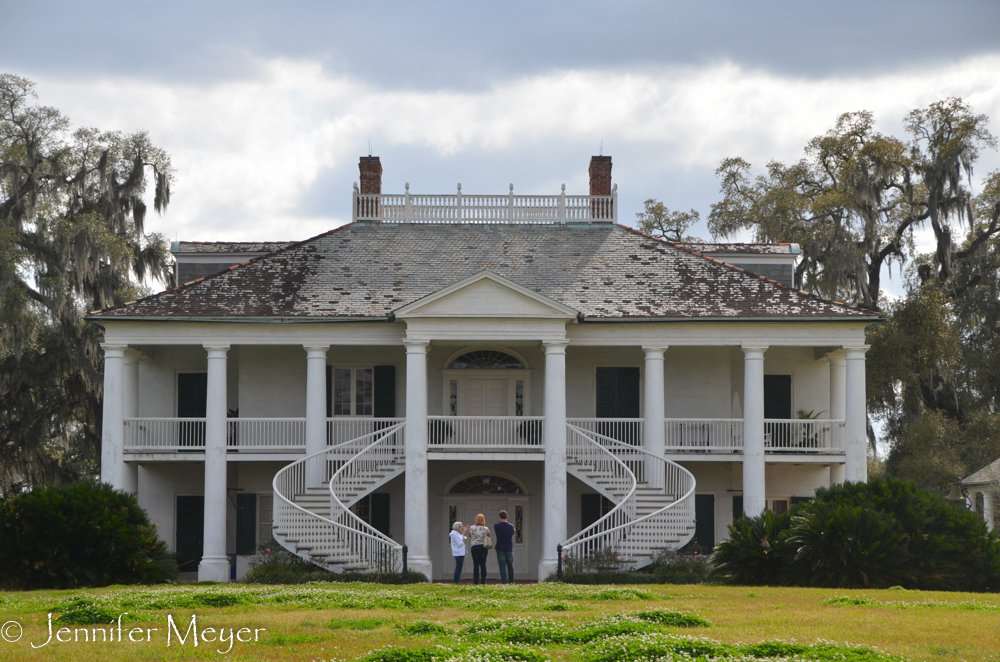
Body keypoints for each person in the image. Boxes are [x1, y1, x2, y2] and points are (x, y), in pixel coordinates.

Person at [467, 513, 491, 584]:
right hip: (483, 547)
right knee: (483, 564)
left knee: (476, 564)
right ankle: (483, 580)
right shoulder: (485, 528)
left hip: (474, 547)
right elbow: (488, 536)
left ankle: (476, 581)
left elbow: (470, 535)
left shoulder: (472, 528)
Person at [494, 509, 516, 584]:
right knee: (510, 566)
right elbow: (512, 533)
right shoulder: (511, 526)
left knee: (502, 566)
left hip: (500, 548)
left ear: (499, 517)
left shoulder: (496, 526)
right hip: (509, 548)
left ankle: (504, 582)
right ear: (507, 516)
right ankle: (511, 581)